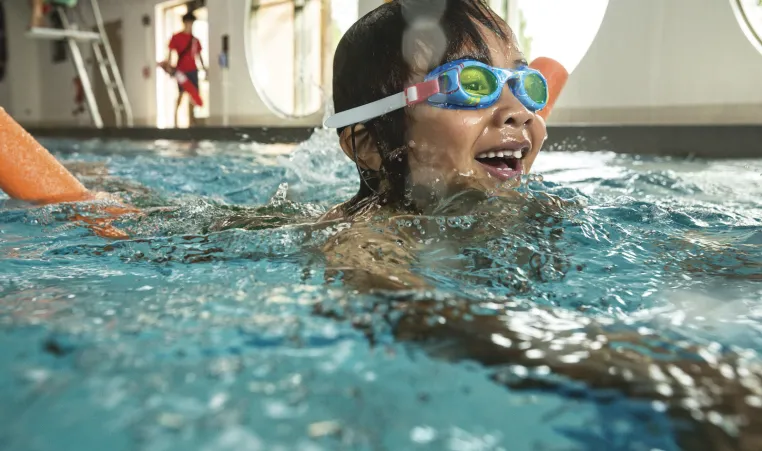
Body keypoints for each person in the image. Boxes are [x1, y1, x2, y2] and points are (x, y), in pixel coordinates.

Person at [165, 11, 206, 127]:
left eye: (191, 23)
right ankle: (175, 118)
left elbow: (199, 55)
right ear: (184, 23)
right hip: (181, 70)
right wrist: (168, 65)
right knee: (181, 93)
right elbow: (170, 51)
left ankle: (192, 119)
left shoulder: (195, 40)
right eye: (188, 22)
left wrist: (203, 68)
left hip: (193, 69)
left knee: (194, 94)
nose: (190, 25)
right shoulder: (177, 37)